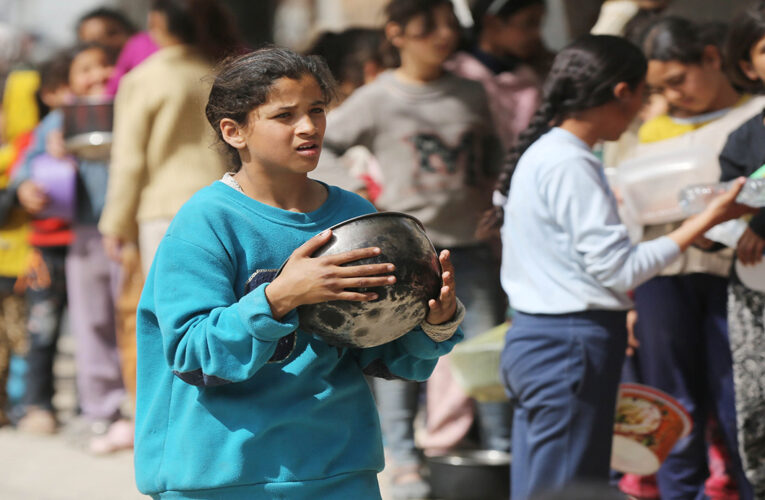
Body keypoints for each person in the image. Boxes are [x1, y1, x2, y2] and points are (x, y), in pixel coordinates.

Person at [133, 46, 464, 499]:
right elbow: (192, 354)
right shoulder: (206, 223)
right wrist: (279, 298)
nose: (308, 127)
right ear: (234, 132)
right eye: (284, 116)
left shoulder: (354, 217)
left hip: (337, 469)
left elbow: (383, 353)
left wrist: (432, 320)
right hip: (222, 476)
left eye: (317, 110)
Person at [494, 34, 754, 499]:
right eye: (645, 94)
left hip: (541, 341)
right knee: (565, 490)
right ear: (622, 93)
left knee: (543, 488)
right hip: (569, 343)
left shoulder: (548, 154)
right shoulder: (570, 162)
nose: (644, 109)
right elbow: (620, 271)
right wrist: (706, 220)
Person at [310, 1, 507, 497]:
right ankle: (403, 460)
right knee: (392, 347)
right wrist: (359, 194)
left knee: (483, 354)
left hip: (471, 250)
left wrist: (497, 203)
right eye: (429, 25)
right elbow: (325, 146)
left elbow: (492, 158)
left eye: (449, 24)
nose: (444, 35)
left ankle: (501, 451)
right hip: (405, 253)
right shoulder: (379, 97)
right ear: (396, 33)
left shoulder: (471, 91)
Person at [624, 16, 759, 499]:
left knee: (740, 400)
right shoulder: (647, 131)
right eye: (661, 88)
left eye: (679, 80)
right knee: (673, 405)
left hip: (735, 281)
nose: (674, 95)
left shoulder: (753, 118)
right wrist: (632, 302)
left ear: (712, 58)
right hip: (664, 278)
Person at [13, 43, 131, 452]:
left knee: (131, 317)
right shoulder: (62, 119)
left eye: (106, 64)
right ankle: (102, 411)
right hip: (84, 234)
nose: (98, 75)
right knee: (91, 320)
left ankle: (137, 407)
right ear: (69, 83)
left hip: (129, 230)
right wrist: (29, 183)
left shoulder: (130, 107)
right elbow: (24, 167)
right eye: (86, 68)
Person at [98, 0, 240, 277]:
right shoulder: (220, 75)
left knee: (174, 308)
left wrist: (115, 224)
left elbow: (129, 160)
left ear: (158, 23)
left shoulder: (143, 79)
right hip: (226, 202)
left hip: (165, 211)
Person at [10, 55, 74, 435]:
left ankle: (85, 403)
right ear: (50, 94)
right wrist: (25, 188)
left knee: (87, 326)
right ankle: (36, 403)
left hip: (85, 241)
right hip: (47, 245)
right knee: (43, 327)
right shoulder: (49, 128)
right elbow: (21, 173)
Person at [718, 3, 765, 495]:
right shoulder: (742, 139)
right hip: (755, 295)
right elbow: (724, 210)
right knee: (757, 406)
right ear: (749, 66)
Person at [446, 0, 543, 149]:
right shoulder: (459, 75)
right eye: (528, 23)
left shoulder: (531, 75)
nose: (536, 34)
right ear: (492, 22)